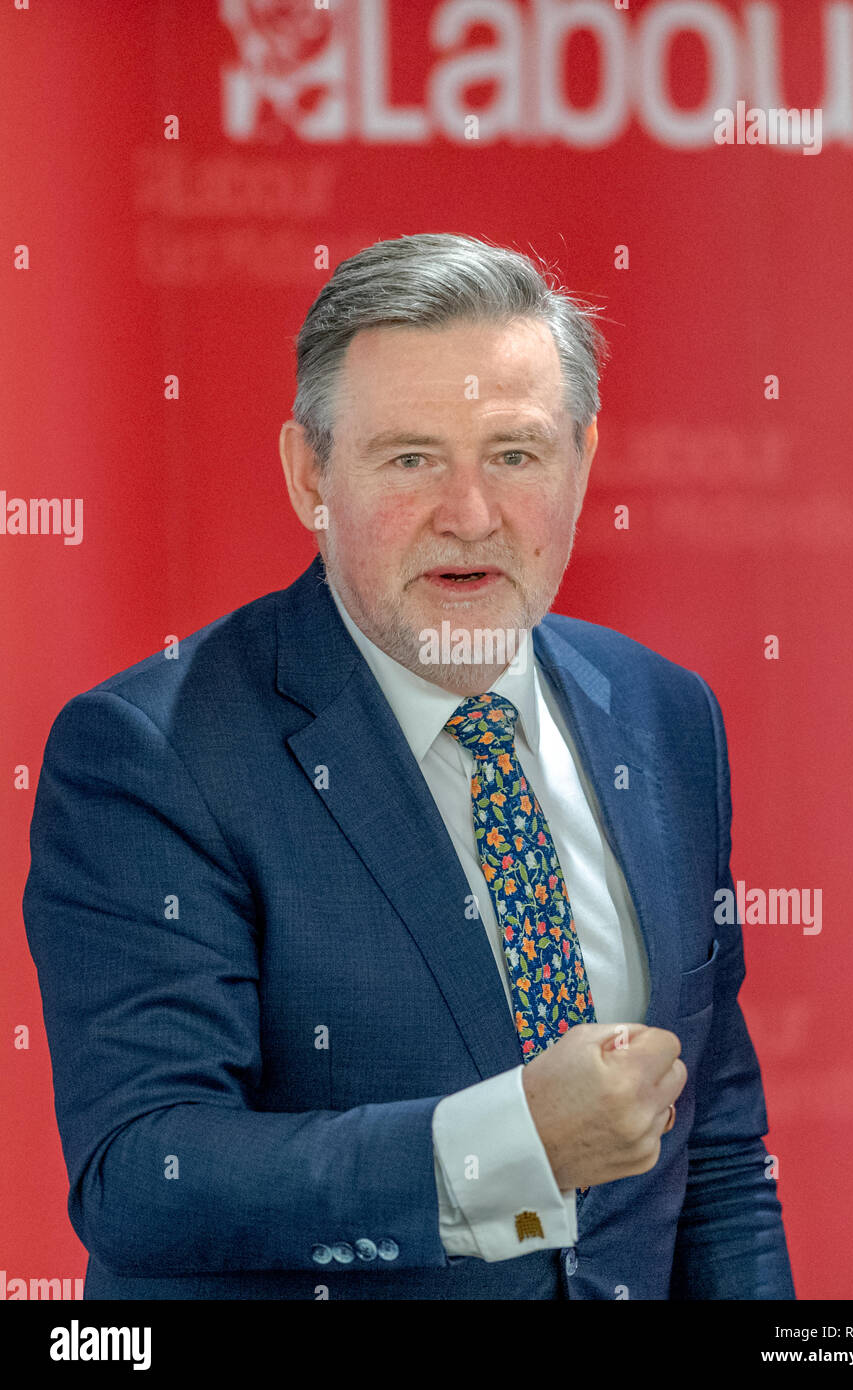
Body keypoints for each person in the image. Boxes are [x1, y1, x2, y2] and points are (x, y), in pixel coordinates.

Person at [23, 232, 794, 1300]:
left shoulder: (662, 713)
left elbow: (713, 1151)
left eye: (515, 453)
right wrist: (506, 1143)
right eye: (411, 457)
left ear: (583, 457)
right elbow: (145, 1175)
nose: (469, 513)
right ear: (309, 475)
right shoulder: (151, 750)